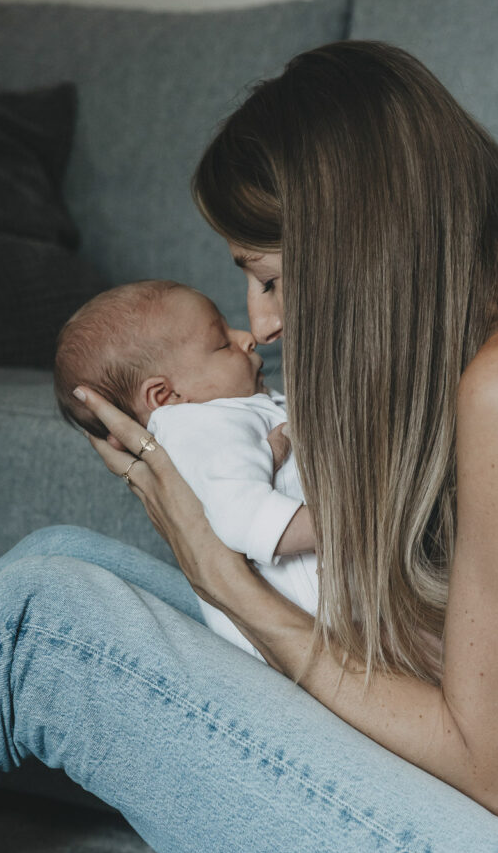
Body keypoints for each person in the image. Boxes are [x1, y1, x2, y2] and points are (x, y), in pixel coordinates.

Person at [0, 39, 498, 853]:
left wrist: (223, 577)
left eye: (268, 278)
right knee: (62, 557)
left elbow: (493, 775)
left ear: (360, 248)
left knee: (40, 625)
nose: (261, 326)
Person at [53, 279, 318, 658]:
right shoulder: (195, 425)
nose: (248, 338)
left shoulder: (238, 407)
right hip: (308, 624)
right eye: (223, 342)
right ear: (165, 396)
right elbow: (246, 519)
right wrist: (355, 527)